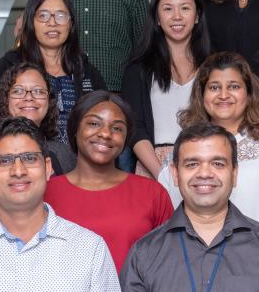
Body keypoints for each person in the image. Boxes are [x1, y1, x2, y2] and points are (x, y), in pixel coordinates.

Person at [0, 117, 120, 292]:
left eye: (29, 158)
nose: (18, 171)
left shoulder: (89, 249)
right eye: (4, 161)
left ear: (47, 168)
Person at [120, 122, 259, 292]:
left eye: (218, 164)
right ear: (175, 174)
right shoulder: (144, 252)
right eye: (192, 164)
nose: (204, 173)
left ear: (234, 174)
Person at [158, 52, 259, 237]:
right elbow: (166, 220)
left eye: (234, 86)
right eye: (214, 87)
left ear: (249, 95)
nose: (223, 95)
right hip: (194, 260)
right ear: (202, 96)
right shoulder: (181, 155)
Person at [44, 91, 173, 273]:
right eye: (94, 123)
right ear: (75, 129)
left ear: (126, 139)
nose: (105, 133)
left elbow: (169, 264)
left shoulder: (152, 193)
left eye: (117, 128)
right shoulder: (46, 193)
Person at [0, 62, 75, 228]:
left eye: (38, 91)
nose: (29, 97)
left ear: (49, 100)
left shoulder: (63, 153)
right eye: (18, 91)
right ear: (5, 99)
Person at [0, 0, 107, 144]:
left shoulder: (86, 70)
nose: (52, 23)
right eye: (43, 16)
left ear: (70, 23)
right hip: (28, 159)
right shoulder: (8, 66)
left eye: (60, 16)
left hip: (81, 164)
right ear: (31, 22)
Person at [120, 0, 211, 176]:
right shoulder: (138, 69)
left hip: (205, 163)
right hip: (154, 165)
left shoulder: (213, 68)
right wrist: (163, 174)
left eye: (185, 8)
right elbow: (136, 129)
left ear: (197, 16)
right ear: (158, 19)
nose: (177, 16)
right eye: (168, 9)